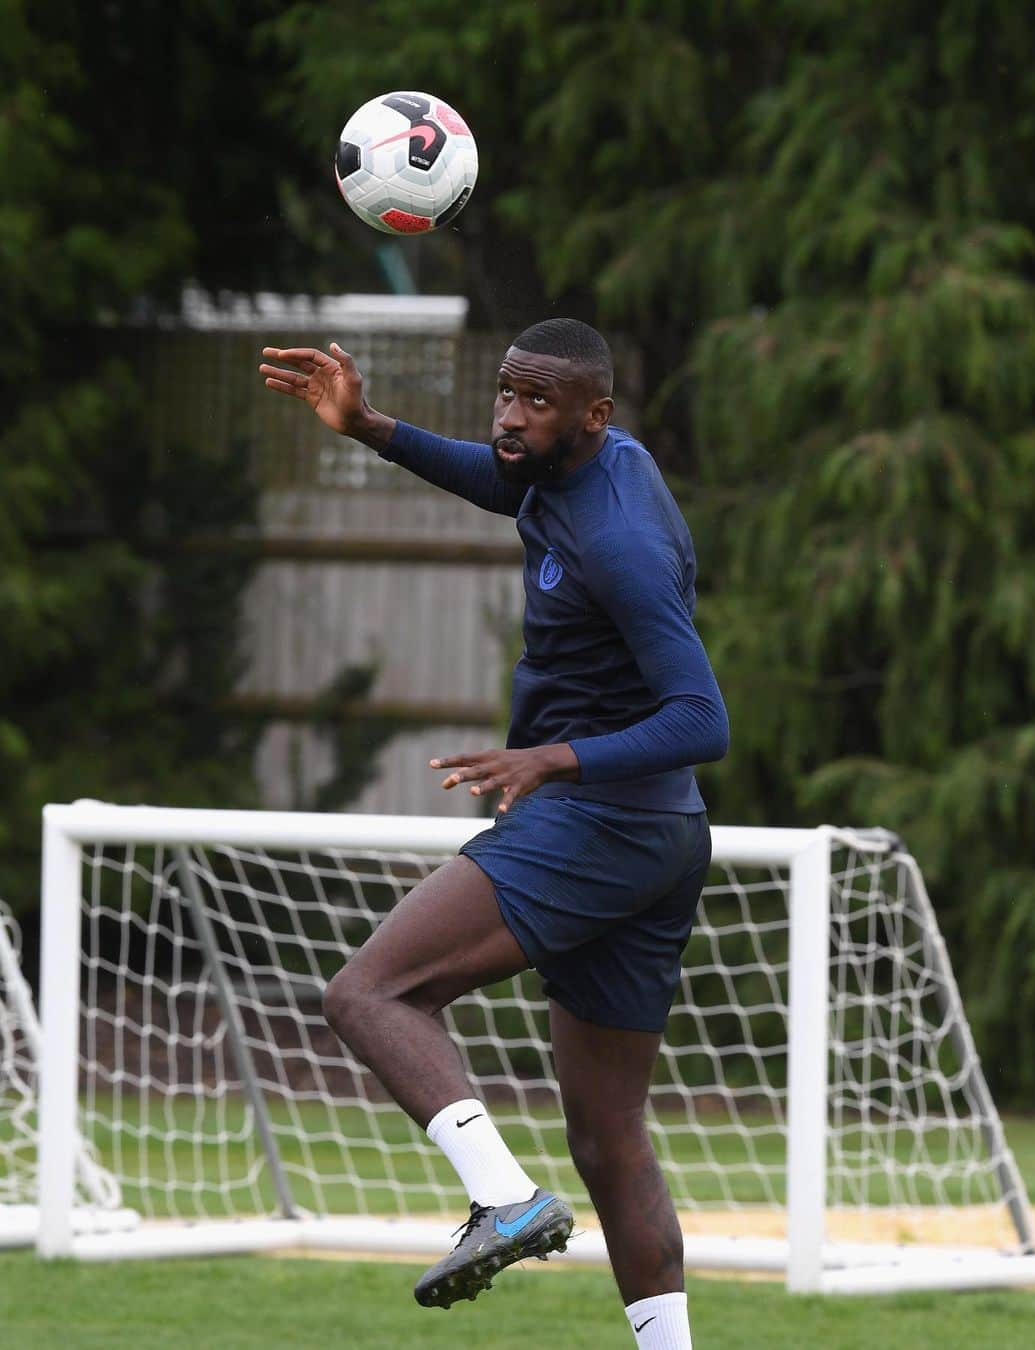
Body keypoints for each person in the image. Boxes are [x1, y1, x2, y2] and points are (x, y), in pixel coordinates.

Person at [259, 319, 728, 1350]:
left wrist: (548, 759)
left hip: (601, 821)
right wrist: (371, 425)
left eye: (536, 402)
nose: (510, 418)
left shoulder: (621, 542)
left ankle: (504, 1199)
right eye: (506, 394)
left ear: (595, 415)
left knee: (369, 993)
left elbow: (705, 720)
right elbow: (504, 478)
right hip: (654, 838)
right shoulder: (578, 468)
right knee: (610, 1140)